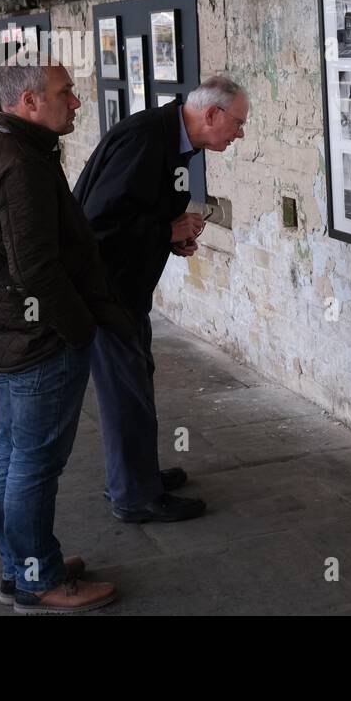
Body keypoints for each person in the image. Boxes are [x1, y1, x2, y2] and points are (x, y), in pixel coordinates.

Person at [0, 61, 129, 614]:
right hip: (36, 342)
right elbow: (37, 271)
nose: (75, 102)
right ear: (28, 102)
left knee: (11, 453)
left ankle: (20, 565)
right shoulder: (19, 166)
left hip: (6, 336)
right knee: (34, 463)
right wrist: (80, 327)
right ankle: (38, 579)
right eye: (65, 93)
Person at [74, 76, 249, 523]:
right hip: (105, 291)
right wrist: (164, 231)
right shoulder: (146, 140)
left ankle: (138, 474)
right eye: (238, 123)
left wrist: (172, 238)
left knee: (137, 381)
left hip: (126, 288)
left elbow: (135, 211)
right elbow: (96, 224)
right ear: (211, 115)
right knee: (124, 392)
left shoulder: (173, 140)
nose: (240, 133)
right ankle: (133, 495)